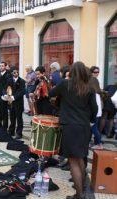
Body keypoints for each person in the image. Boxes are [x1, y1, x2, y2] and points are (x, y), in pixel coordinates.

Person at [49, 61, 97, 199]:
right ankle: (83, 189)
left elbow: (50, 93)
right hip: (84, 126)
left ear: (72, 72)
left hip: (70, 126)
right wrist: (91, 121)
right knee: (80, 158)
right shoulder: (89, 87)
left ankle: (79, 194)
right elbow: (94, 109)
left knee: (73, 161)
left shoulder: (65, 84)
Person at [6, 67, 26, 139]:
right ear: (12, 73)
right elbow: (7, 89)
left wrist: (14, 97)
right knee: (12, 117)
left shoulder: (22, 81)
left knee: (19, 118)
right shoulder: (9, 80)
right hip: (11, 102)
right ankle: (11, 131)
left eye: (17, 72)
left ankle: (19, 133)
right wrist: (7, 95)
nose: (16, 73)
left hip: (18, 102)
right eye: (14, 72)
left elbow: (22, 91)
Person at [0, 62, 10, 129]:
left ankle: (5, 126)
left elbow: (6, 85)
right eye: (0, 66)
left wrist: (3, 92)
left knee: (4, 111)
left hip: (4, 95)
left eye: (2, 66)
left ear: (5, 67)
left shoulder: (8, 75)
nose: (1, 67)